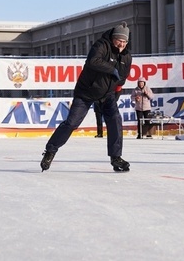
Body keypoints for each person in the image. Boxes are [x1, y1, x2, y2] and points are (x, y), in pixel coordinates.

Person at [41, 22, 132, 172]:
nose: (121, 44)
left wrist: (116, 93)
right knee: (71, 123)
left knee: (115, 121)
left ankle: (116, 158)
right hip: (86, 92)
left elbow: (122, 78)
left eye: (124, 42)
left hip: (107, 94)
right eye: (119, 41)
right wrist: (112, 70)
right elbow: (93, 61)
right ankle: (50, 150)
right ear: (113, 38)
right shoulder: (101, 45)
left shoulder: (127, 56)